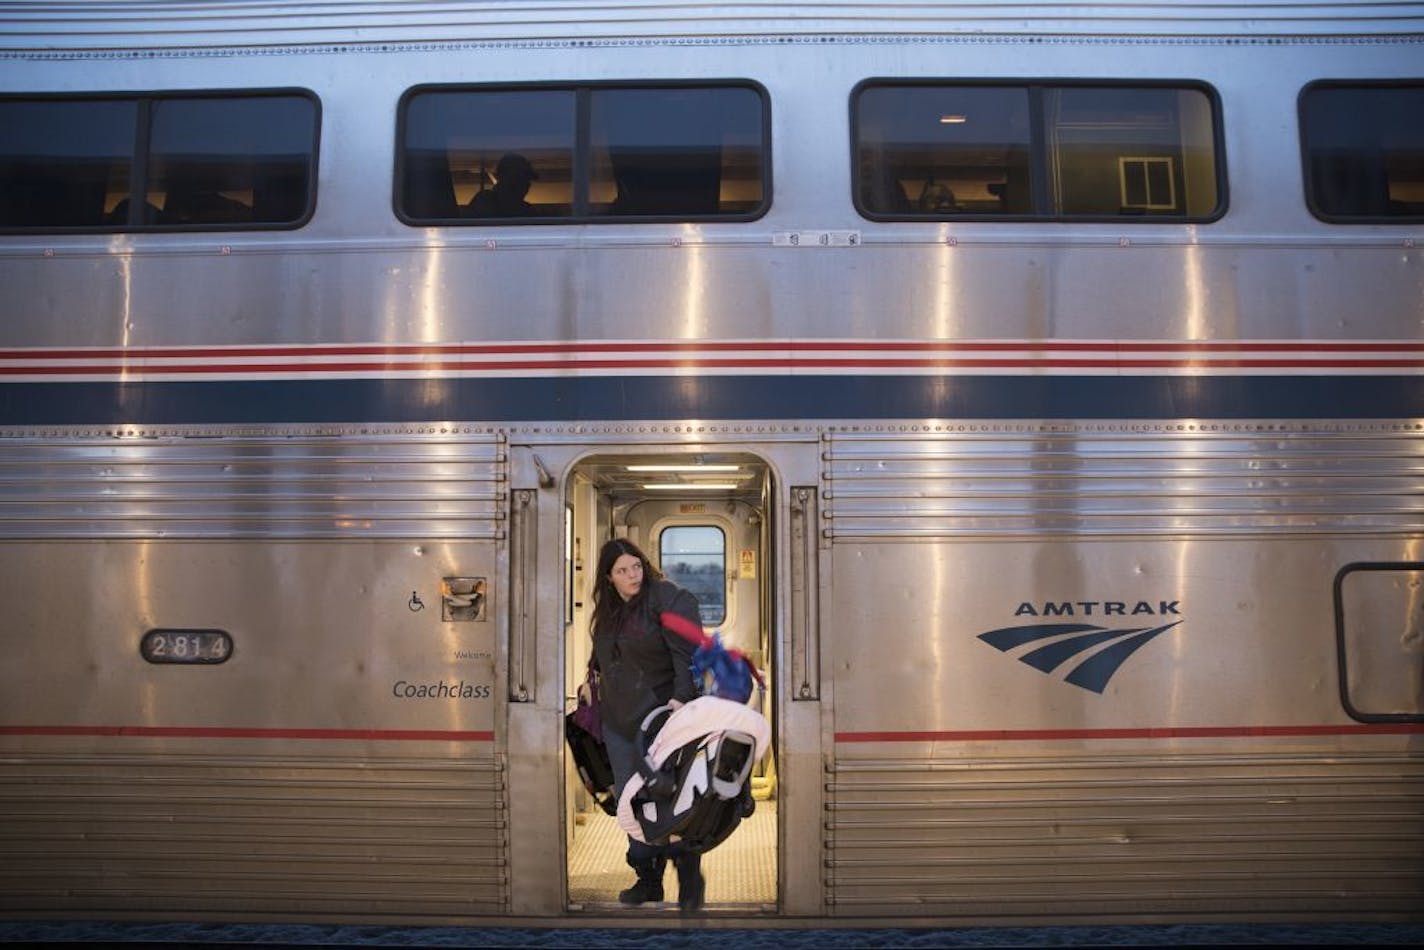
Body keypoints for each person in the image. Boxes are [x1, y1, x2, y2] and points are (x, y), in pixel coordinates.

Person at [588, 537, 706, 913]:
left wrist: (682, 699)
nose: (632, 575)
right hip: (620, 722)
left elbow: (687, 654)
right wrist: (589, 680)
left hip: (661, 719)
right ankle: (648, 879)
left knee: (671, 799)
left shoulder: (668, 599)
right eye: (622, 571)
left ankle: (688, 876)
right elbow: (604, 654)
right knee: (632, 800)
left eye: (636, 566)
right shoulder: (607, 610)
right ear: (609, 578)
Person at [466, 152, 538, 217]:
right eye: (524, 179)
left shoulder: (527, 210)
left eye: (527, 180)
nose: (527, 186)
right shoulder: (484, 202)